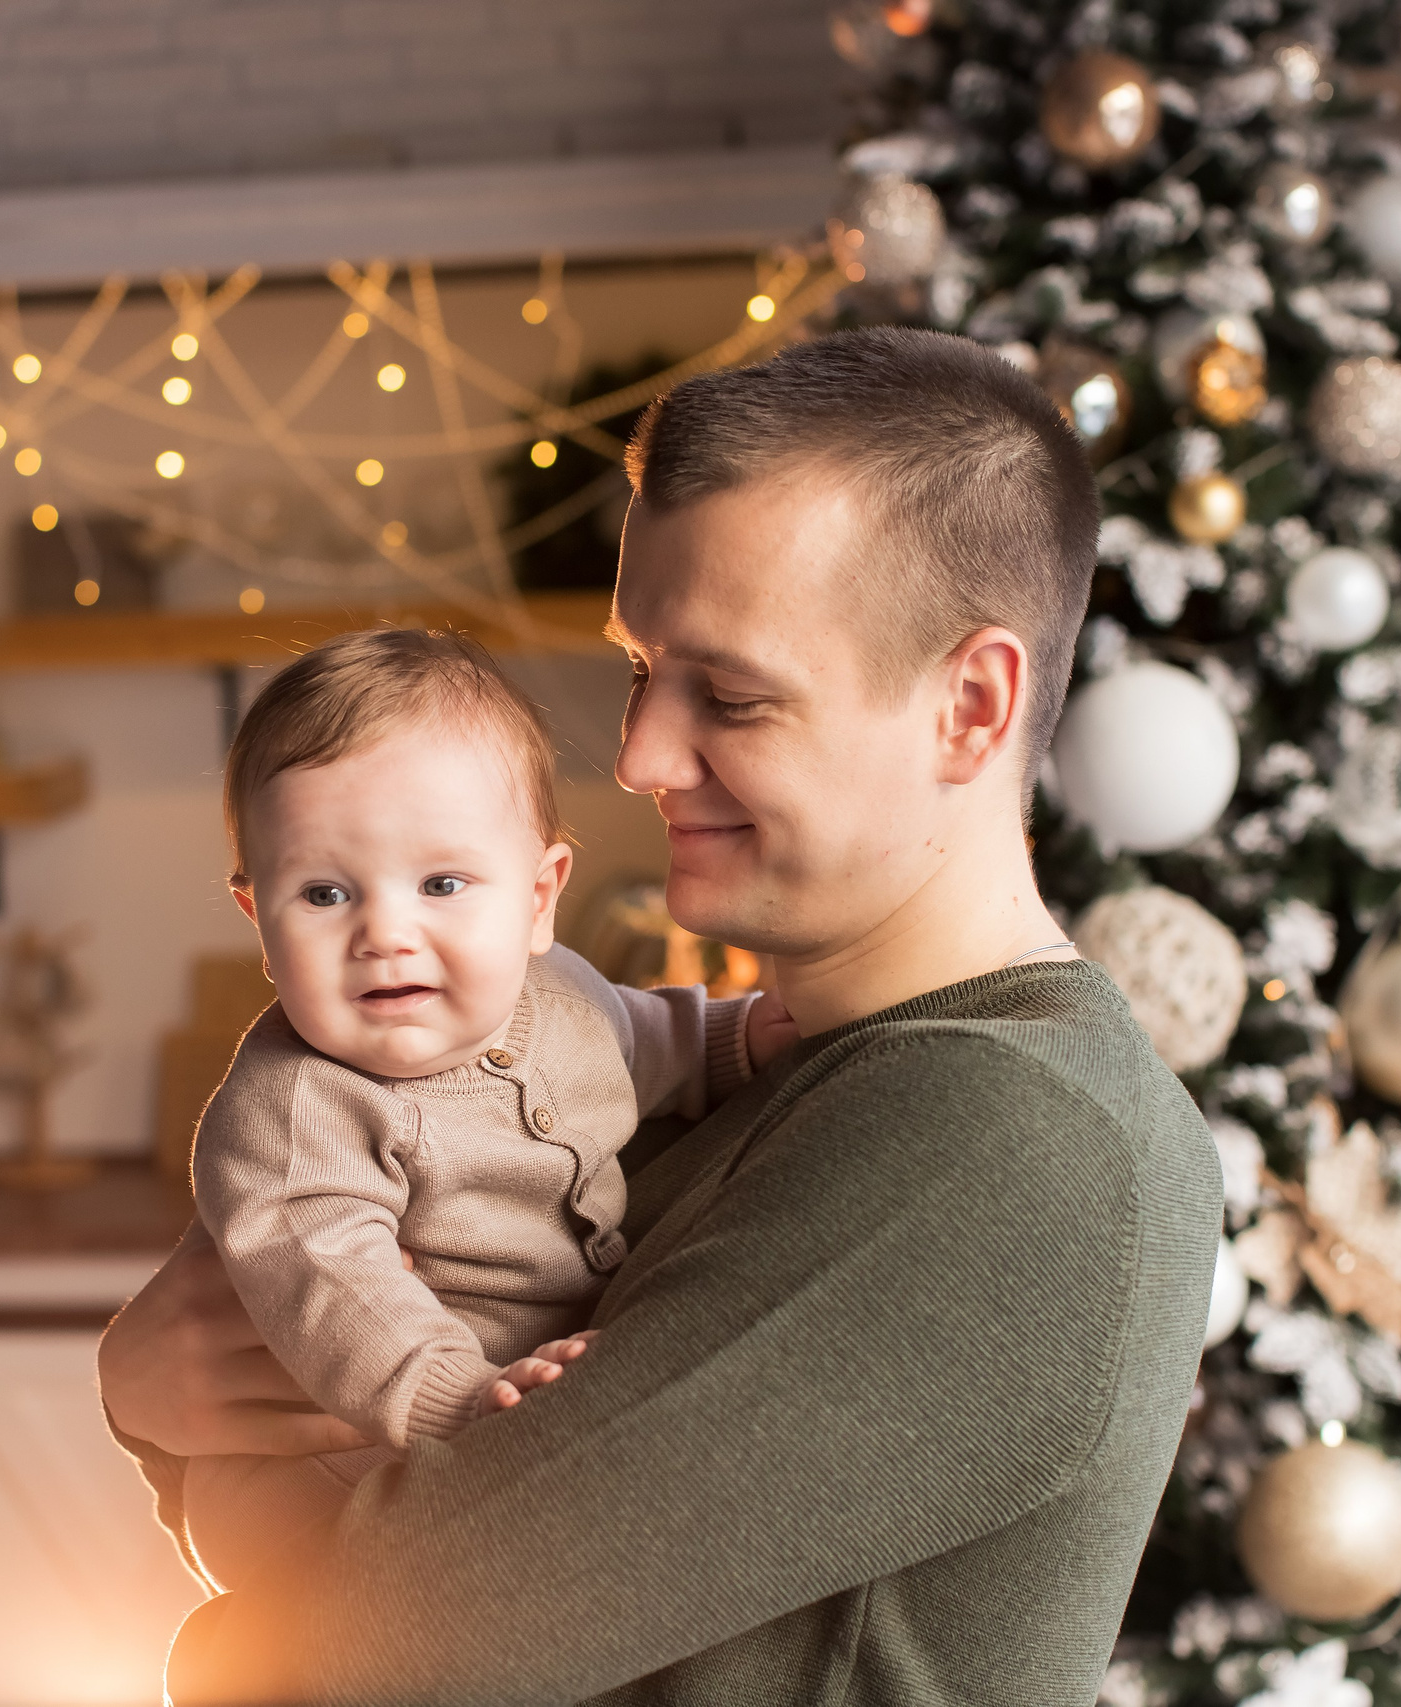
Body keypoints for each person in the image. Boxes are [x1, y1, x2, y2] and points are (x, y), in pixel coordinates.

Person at [99, 326, 1224, 1706]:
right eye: (641, 671)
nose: (637, 757)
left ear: (969, 707)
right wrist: (164, 1402)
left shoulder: (1012, 1136)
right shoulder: (746, 1068)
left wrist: (166, 1443)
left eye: (730, 696)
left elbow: (359, 1657)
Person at [180, 626, 795, 1591]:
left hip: (503, 1430)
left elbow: (646, 1041)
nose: (386, 933)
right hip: (319, 1472)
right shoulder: (296, 1107)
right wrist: (455, 1400)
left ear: (540, 897)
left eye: (442, 883)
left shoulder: (562, 992)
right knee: (378, 1612)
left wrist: (740, 1041)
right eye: (326, 893)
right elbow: (333, 1287)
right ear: (259, 918)